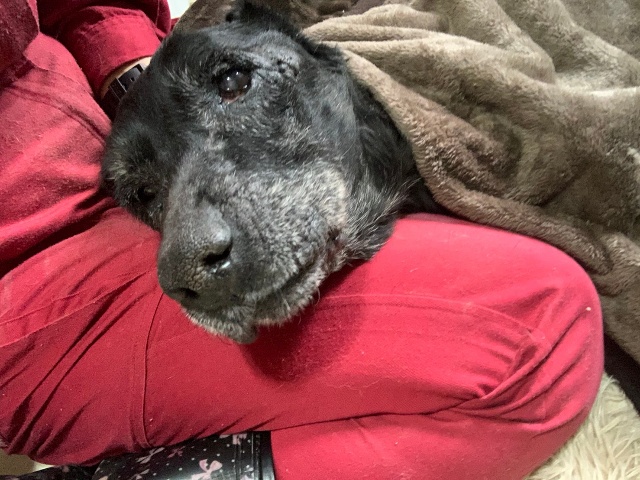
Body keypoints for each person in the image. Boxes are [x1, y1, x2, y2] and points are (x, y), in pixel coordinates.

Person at [0, 1, 604, 478]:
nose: (191, 243)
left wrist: (127, 67)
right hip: (25, 285)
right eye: (146, 197)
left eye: (232, 83)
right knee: (539, 326)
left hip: (96, 138)